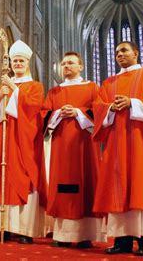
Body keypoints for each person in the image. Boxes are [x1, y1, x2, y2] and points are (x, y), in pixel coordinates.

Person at [92, 42, 143, 256]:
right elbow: (98, 107)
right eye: (117, 52)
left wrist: (133, 103)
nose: (120, 54)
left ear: (136, 53)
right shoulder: (108, 83)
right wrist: (110, 107)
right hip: (116, 145)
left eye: (124, 50)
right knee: (118, 189)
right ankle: (122, 241)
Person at [0, 40, 46, 244]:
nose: (17, 64)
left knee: (23, 176)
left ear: (27, 63)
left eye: (21, 60)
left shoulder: (35, 86)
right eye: (15, 61)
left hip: (23, 141)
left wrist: (14, 90)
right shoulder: (2, 87)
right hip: (2, 140)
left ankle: (23, 230)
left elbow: (33, 108)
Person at [42, 52, 101, 248]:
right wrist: (59, 113)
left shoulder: (92, 88)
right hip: (61, 146)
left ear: (81, 66)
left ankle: (86, 235)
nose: (66, 66)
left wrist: (77, 112)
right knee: (62, 185)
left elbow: (99, 110)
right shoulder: (54, 92)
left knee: (86, 183)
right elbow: (44, 114)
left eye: (71, 63)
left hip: (84, 144)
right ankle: (63, 235)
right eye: (64, 63)